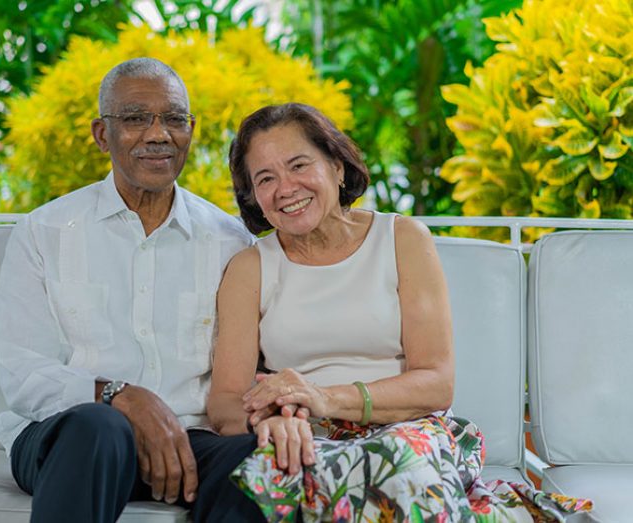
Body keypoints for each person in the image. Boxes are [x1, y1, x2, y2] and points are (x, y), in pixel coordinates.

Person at [208, 103, 592, 521]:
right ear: (254, 197)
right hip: (310, 436)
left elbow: (435, 383)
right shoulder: (251, 268)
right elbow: (226, 400)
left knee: (399, 467)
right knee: (285, 475)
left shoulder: (402, 238)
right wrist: (267, 419)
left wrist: (323, 397)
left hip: (410, 430)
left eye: (299, 165)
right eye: (265, 178)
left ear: (337, 166)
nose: (285, 187)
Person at [0, 58, 264, 523]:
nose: (158, 134)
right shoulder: (45, 231)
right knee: (101, 428)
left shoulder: (231, 242)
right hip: (70, 434)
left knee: (258, 462)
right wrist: (118, 395)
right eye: (136, 118)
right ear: (102, 134)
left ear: (190, 132)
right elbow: (23, 373)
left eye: (174, 119)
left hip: (190, 440)